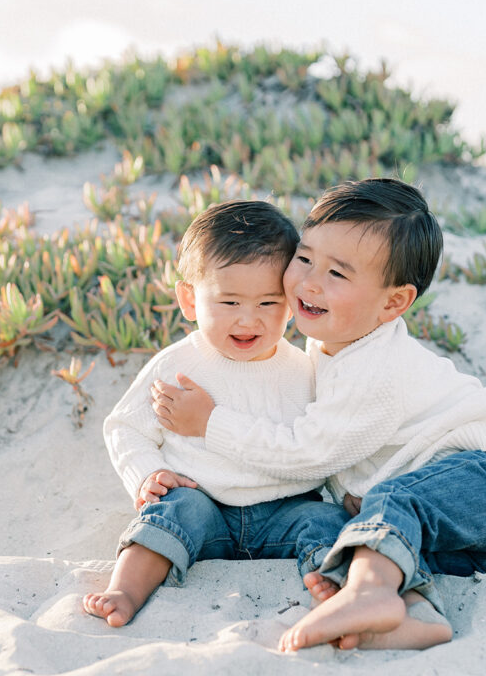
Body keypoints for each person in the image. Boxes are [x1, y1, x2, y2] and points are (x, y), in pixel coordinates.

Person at [151, 178, 486, 651]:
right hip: (474, 538)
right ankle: (414, 612)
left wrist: (211, 424)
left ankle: (371, 595)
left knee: (394, 501)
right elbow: (346, 442)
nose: (308, 282)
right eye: (304, 258)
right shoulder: (334, 343)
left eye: (338, 275)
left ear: (393, 302)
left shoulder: (375, 365)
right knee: (377, 518)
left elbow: (309, 453)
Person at [83, 200, 348, 627]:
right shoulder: (180, 364)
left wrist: (347, 490)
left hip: (284, 508)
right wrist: (148, 472)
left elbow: (325, 442)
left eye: (268, 303)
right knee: (171, 510)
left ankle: (334, 586)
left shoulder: (304, 370)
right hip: (204, 505)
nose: (249, 320)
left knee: (327, 520)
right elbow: (125, 426)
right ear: (189, 299)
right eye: (229, 302)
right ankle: (125, 590)